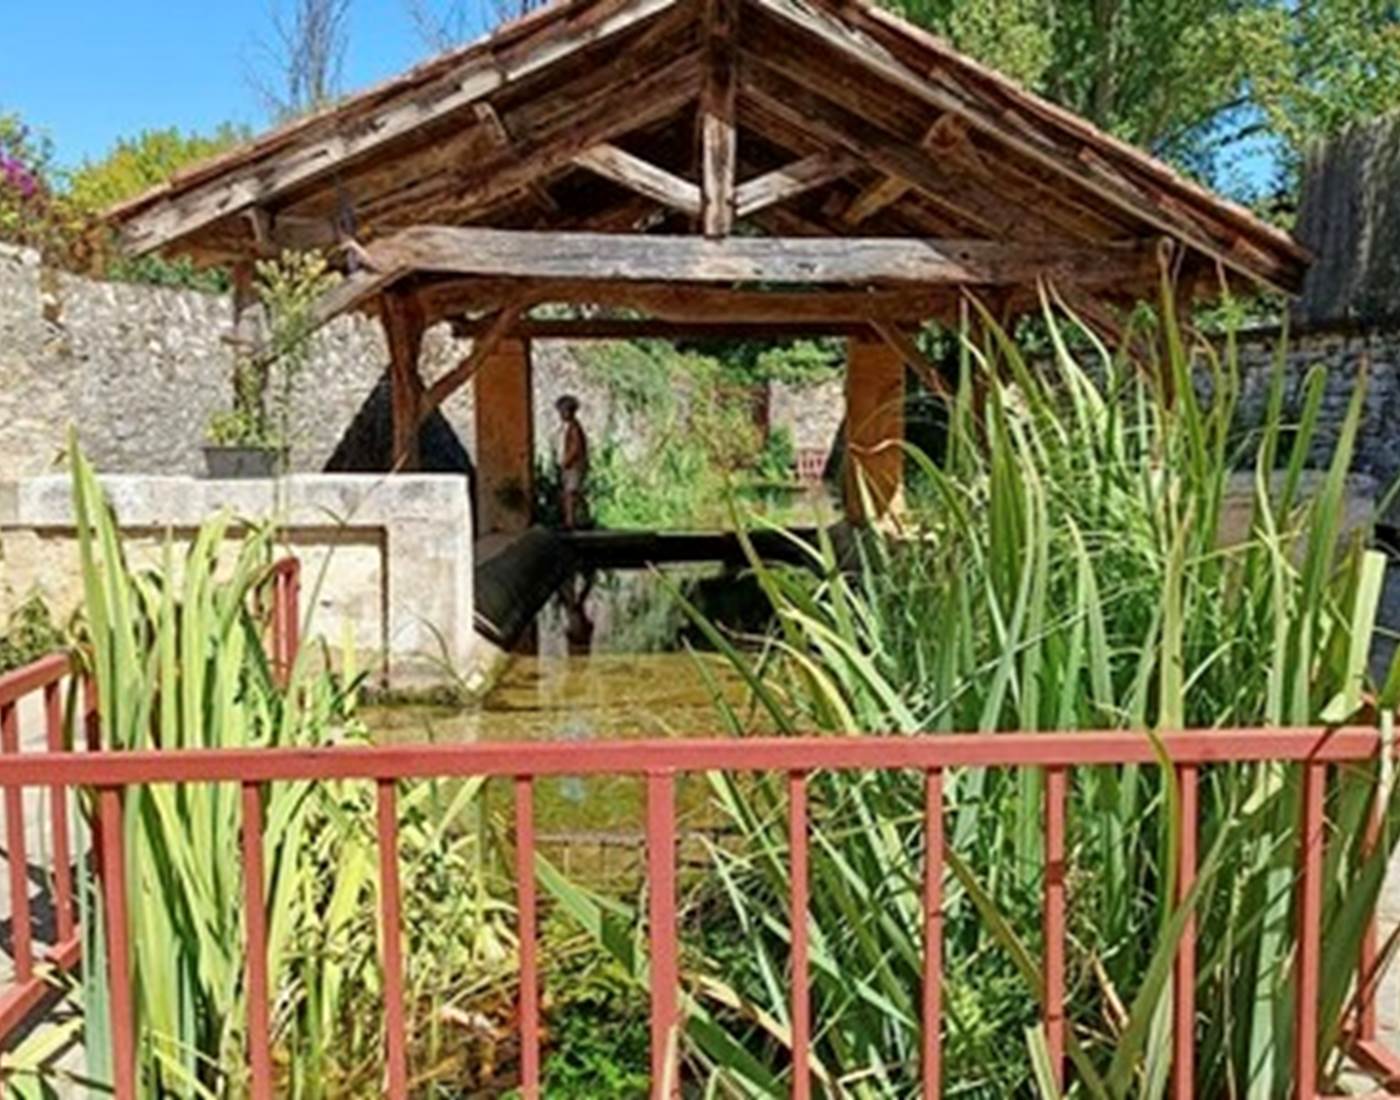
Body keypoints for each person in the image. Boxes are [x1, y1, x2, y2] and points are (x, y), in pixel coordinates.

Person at [555, 394, 590, 529]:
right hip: (575, 465)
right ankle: (577, 519)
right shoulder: (572, 427)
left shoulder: (574, 428)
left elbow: (575, 448)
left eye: (562, 411)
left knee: (570, 493)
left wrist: (566, 461)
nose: (560, 415)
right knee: (572, 493)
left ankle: (570, 522)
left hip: (574, 466)